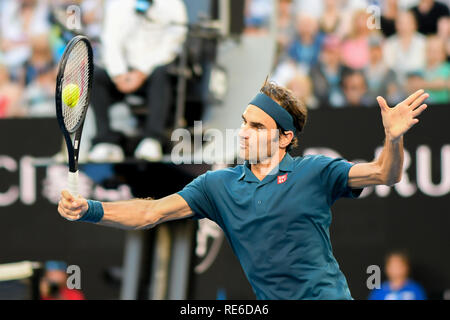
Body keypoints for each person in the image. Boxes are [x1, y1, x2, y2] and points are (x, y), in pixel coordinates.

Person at [58, 80, 429, 300]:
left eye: (256, 126)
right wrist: (90, 208)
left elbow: (385, 174)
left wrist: (392, 139)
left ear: (284, 138)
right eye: (243, 123)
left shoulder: (316, 172)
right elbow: (149, 212)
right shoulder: (218, 186)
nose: (243, 132)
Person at [88, 0, 188, 163]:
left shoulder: (173, 4)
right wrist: (119, 74)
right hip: (123, 74)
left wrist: (142, 71)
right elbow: (110, 41)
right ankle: (105, 140)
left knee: (161, 74)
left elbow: (173, 43)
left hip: (154, 69)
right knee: (95, 75)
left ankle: (152, 139)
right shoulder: (117, 4)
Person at [383, 10, 426, 84]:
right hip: (396, 84)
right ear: (396, 25)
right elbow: (389, 67)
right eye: (401, 23)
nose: (404, 26)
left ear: (415, 24)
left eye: (407, 23)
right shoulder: (390, 43)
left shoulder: (423, 42)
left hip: (419, 82)